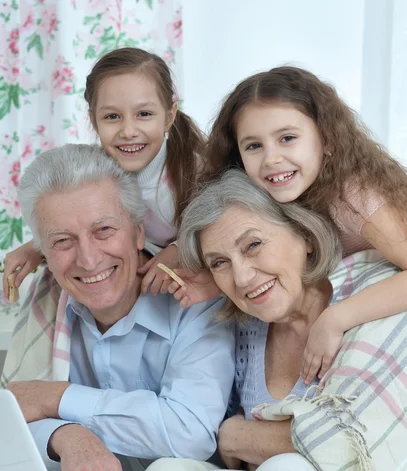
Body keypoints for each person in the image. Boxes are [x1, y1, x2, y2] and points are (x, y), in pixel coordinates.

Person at [137, 170, 407, 471]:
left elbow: (355, 440)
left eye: (254, 245)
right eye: (220, 263)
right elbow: (227, 453)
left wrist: (241, 434)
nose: (242, 278)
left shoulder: (368, 295)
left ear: (304, 236)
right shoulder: (246, 329)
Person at [0, 143, 234, 471]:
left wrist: (58, 399)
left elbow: (190, 430)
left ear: (138, 233)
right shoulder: (45, 302)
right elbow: (6, 419)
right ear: (42, 251)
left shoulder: (194, 295)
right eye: (62, 241)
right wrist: (65, 436)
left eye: (104, 230)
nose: (88, 259)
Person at [168, 66, 407, 387]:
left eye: (287, 138)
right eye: (254, 146)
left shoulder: (352, 195)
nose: (272, 159)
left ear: (328, 139)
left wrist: (336, 319)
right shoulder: (275, 193)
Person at [3, 47, 205, 300]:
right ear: (93, 120)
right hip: (136, 288)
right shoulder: (94, 173)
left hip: (194, 289)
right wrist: (35, 249)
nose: (128, 131)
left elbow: (226, 232)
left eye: (144, 114)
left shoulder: (195, 172)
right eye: (112, 116)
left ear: (169, 116)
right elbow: (76, 226)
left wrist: (180, 250)